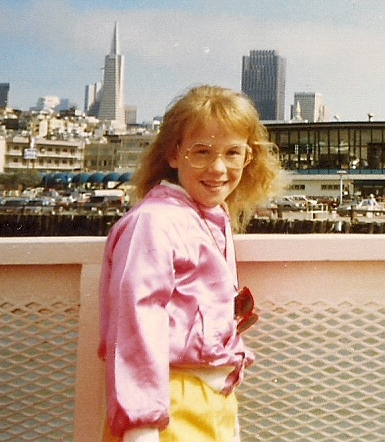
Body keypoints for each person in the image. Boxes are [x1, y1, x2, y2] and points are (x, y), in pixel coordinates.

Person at [98, 85, 281, 442]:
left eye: (233, 153)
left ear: (249, 157)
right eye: (201, 152)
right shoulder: (154, 222)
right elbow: (135, 324)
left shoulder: (210, 217)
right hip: (170, 405)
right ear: (173, 154)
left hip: (209, 401)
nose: (218, 168)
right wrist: (141, 428)